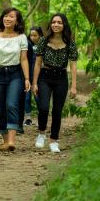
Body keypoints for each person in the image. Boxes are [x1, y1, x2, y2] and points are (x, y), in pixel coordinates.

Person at [0, 8, 31, 151]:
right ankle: (5, 142)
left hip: (15, 74)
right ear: (2, 19)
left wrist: (27, 78)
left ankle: (11, 141)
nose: (8, 19)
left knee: (12, 104)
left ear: (17, 21)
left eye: (11, 17)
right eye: (6, 16)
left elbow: (24, 59)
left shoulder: (22, 37)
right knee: (1, 108)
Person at [32, 14, 78, 153]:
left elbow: (73, 66)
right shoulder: (44, 41)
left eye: (59, 22)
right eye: (53, 22)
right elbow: (38, 63)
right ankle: (41, 133)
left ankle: (54, 140)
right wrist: (34, 83)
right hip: (45, 77)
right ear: (50, 25)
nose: (56, 24)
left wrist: (74, 86)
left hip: (61, 78)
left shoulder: (70, 43)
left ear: (64, 25)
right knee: (44, 107)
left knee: (57, 110)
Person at [23, 26, 44, 125]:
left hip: (39, 77)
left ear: (40, 35)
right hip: (27, 75)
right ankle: (28, 118)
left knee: (37, 97)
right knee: (26, 98)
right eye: (31, 35)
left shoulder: (44, 46)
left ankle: (42, 118)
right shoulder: (26, 46)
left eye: (35, 35)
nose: (32, 37)